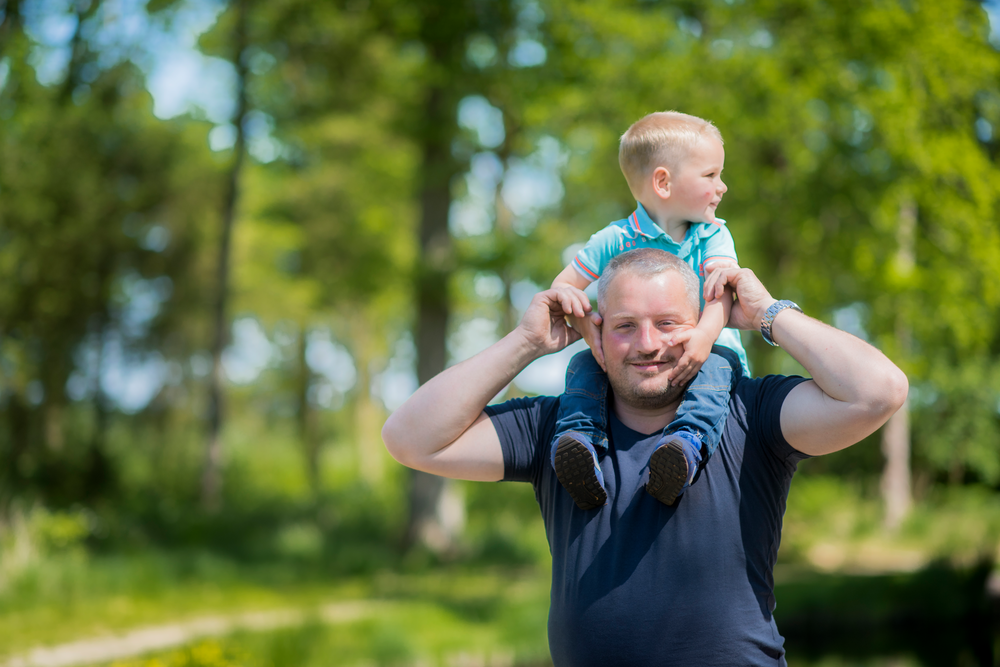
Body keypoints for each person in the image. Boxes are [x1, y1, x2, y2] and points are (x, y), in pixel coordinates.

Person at [382, 248, 908, 666]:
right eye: (626, 325)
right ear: (597, 335)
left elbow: (878, 390)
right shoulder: (559, 428)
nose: (648, 344)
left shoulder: (753, 412)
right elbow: (410, 438)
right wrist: (525, 343)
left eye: (669, 323)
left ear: (703, 326)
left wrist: (768, 313)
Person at [547, 111, 747, 510]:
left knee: (715, 370)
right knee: (582, 368)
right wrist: (590, 328)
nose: (721, 186)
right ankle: (579, 444)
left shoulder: (712, 234)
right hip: (637, 361)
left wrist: (704, 337)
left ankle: (685, 446)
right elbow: (563, 287)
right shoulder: (614, 239)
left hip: (710, 349)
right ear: (663, 182)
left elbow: (724, 290)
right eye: (710, 175)